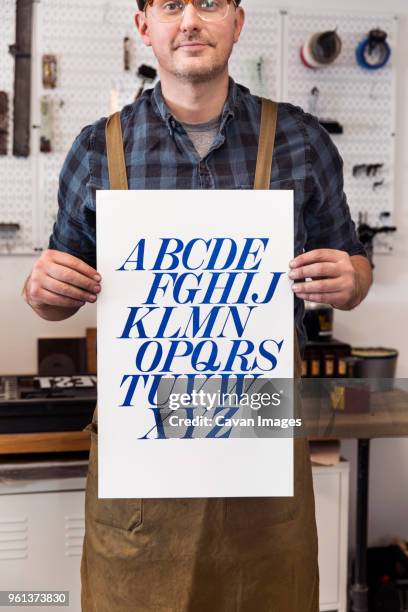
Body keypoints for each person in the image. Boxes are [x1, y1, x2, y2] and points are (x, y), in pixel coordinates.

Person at [22, 0, 372, 609]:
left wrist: (352, 279)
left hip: (260, 430)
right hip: (143, 442)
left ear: (237, 22)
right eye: (170, 5)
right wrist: (41, 292)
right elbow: (60, 290)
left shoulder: (301, 141)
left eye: (210, 4)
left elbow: (355, 266)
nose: (190, 20)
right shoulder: (96, 151)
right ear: (144, 26)